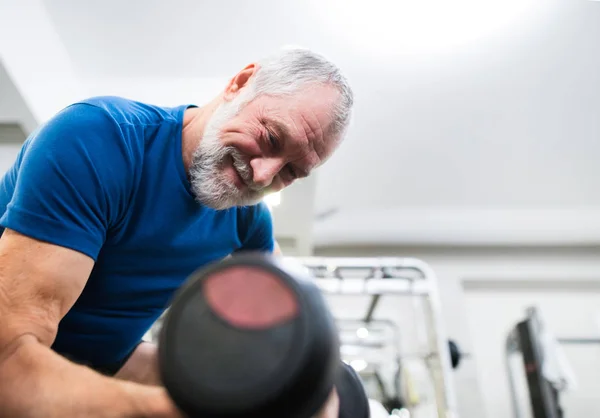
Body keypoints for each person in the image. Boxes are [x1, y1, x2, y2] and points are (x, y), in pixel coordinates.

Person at [0, 47, 368, 418]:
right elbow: (8, 360)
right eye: (270, 138)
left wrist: (304, 390)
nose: (263, 175)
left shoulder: (248, 222)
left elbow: (284, 337)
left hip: (93, 366)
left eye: (290, 172)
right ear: (240, 84)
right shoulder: (101, 140)